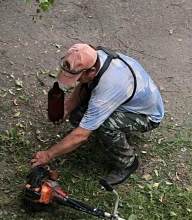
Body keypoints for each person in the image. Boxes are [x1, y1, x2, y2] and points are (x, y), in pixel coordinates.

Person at [30, 43, 165, 185]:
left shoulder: (108, 89)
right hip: (125, 99)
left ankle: (127, 163)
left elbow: (81, 136)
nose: (77, 81)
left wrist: (48, 154)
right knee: (77, 115)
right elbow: (84, 84)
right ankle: (99, 129)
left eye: (78, 77)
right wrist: (67, 109)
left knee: (105, 126)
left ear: (92, 71)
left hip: (147, 116)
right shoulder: (94, 56)